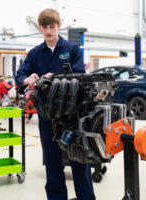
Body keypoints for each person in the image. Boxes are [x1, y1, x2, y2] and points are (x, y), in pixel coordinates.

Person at [15, 8, 96, 200]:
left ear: (59, 26)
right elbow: (20, 75)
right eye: (45, 27)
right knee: (52, 160)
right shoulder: (35, 53)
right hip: (47, 115)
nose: (49, 31)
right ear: (40, 28)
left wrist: (56, 77)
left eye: (52, 27)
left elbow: (80, 75)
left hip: (72, 115)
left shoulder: (72, 50)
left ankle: (86, 197)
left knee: (79, 158)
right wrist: (27, 80)